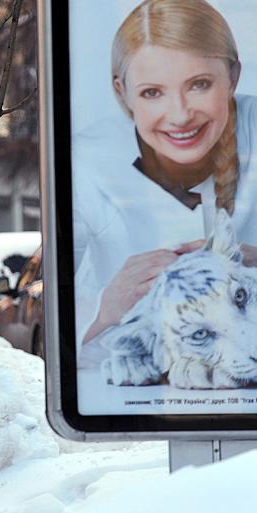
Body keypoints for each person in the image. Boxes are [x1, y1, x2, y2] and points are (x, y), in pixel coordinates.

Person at [73, 0, 257, 357]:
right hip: (125, 395)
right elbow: (45, 299)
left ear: (233, 75)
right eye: (152, 92)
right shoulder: (85, 161)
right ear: (122, 92)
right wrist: (107, 305)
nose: (180, 115)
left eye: (199, 84)